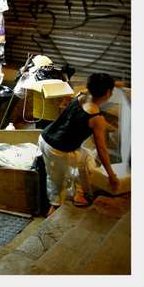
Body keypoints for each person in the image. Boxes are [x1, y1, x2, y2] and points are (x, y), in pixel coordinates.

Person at [38, 72, 120, 216]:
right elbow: (102, 150)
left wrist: (116, 85)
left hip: (45, 138)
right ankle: (51, 215)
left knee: (87, 159)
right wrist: (111, 175)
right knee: (58, 188)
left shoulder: (81, 95)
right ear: (108, 93)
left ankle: (80, 193)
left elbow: (92, 87)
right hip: (57, 150)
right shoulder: (96, 119)